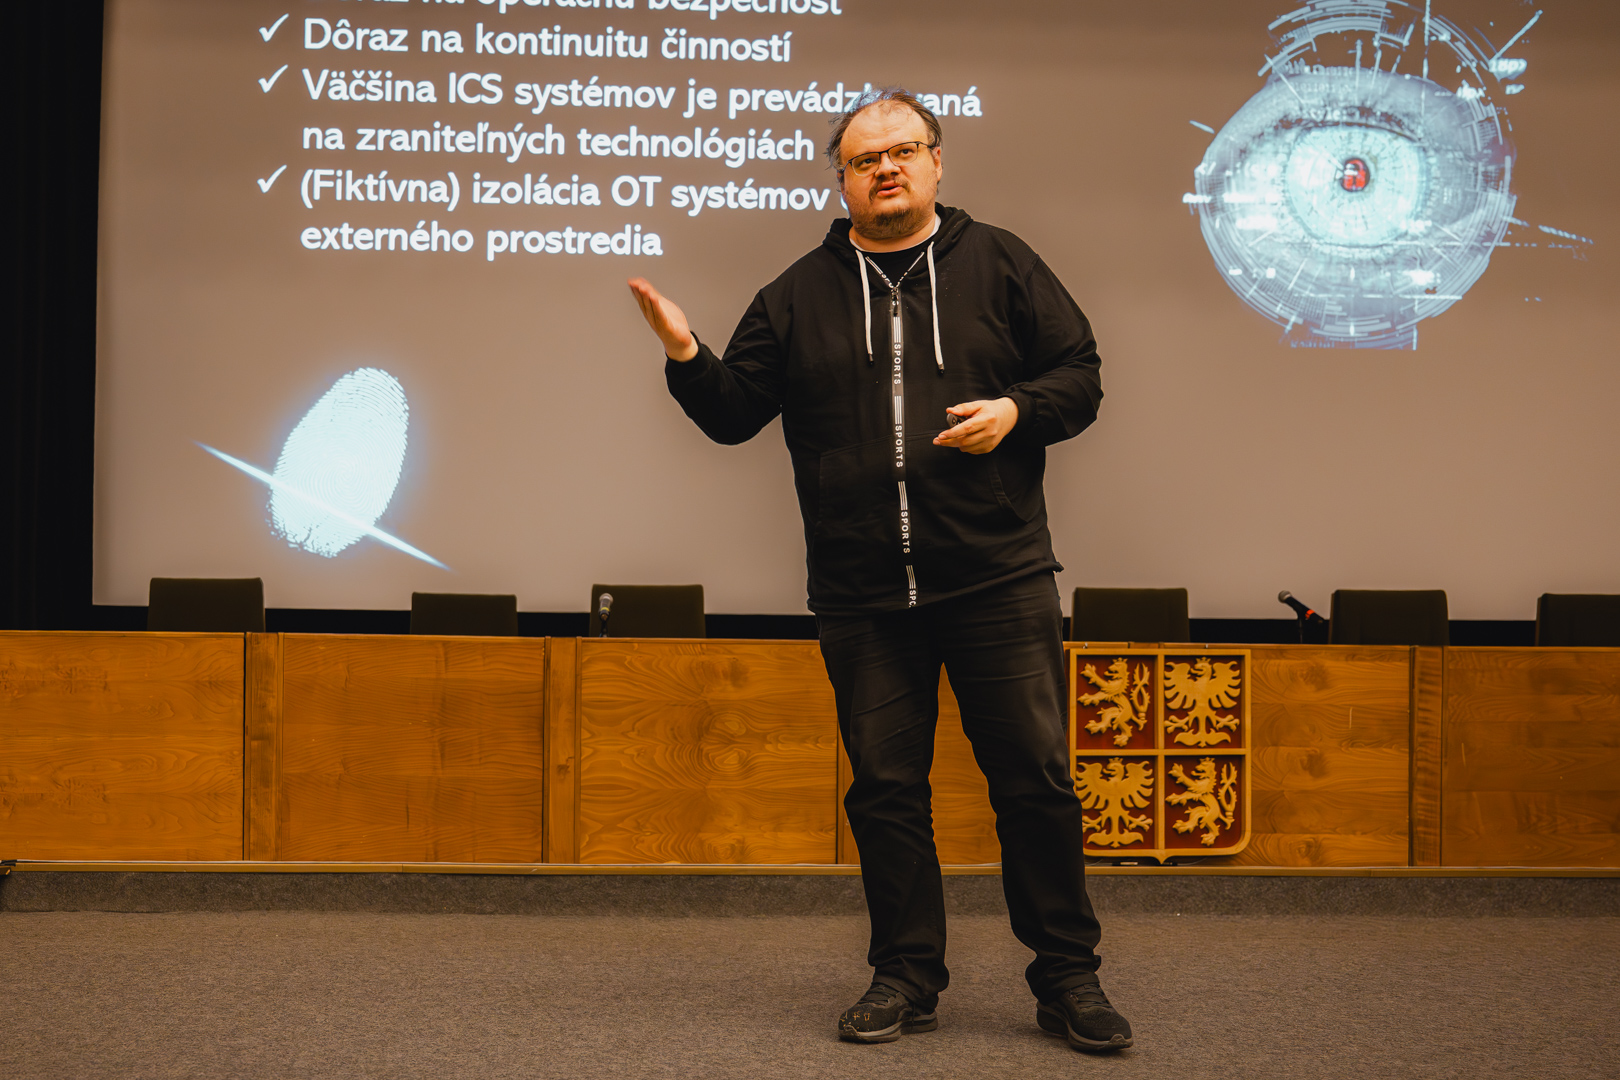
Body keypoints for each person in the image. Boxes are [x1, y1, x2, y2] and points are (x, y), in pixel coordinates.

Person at [627, 87, 1132, 1054]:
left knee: (1034, 783)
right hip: (862, 595)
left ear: (937, 161)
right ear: (843, 181)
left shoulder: (1003, 263)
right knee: (886, 791)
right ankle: (905, 974)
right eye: (866, 159)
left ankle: (1069, 975)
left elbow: (1080, 375)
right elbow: (733, 413)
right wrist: (686, 353)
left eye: (903, 150)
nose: (886, 168)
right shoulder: (795, 294)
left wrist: (1019, 412)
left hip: (996, 577)